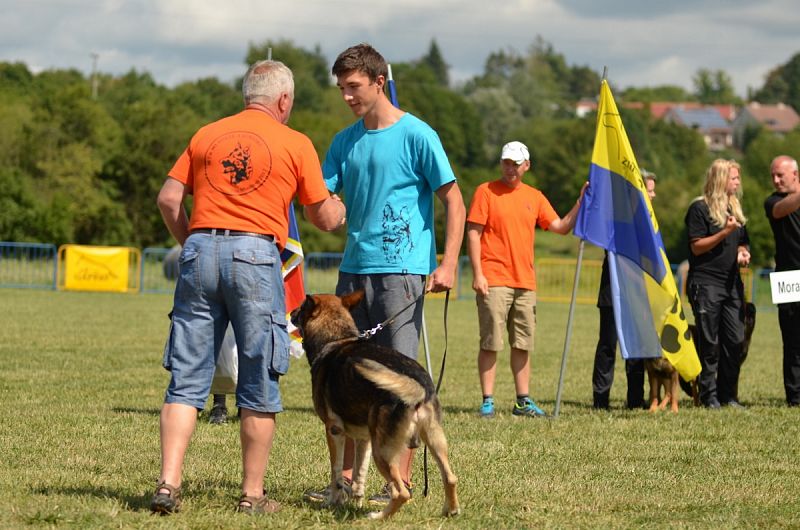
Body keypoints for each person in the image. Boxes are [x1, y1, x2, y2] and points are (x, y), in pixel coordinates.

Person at [151, 60, 345, 515]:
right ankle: (252, 496)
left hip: (199, 248)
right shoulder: (295, 142)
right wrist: (339, 208)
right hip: (255, 256)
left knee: (187, 379)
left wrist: (193, 244)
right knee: (258, 378)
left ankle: (167, 484)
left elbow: (167, 198)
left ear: (247, 96)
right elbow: (322, 216)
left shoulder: (206, 134)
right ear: (283, 100)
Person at [304, 43, 466, 505]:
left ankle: (398, 482)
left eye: (353, 87)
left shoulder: (418, 135)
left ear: (379, 81)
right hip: (353, 271)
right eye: (341, 88)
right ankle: (349, 482)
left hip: (402, 272)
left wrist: (449, 262)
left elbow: (454, 200)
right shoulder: (343, 141)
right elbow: (325, 203)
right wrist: (324, 212)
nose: (346, 96)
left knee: (398, 378)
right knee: (350, 379)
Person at [467, 141, 585, 418]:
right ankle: (488, 400)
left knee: (522, 343)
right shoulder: (485, 192)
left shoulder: (535, 196)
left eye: (516, 163)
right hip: (493, 278)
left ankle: (522, 401)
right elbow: (473, 233)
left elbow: (560, 227)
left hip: (525, 283)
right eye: (506, 162)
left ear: (526, 166)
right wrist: (478, 274)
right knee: (490, 342)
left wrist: (581, 201)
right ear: (501, 164)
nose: (510, 168)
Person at [685, 159, 750, 409]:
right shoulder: (699, 209)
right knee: (709, 342)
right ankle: (708, 396)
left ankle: (728, 396)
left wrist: (743, 252)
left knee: (734, 340)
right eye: (733, 177)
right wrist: (723, 232)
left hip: (731, 284)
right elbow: (696, 246)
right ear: (721, 179)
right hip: (706, 284)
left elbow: (743, 240)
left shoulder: (735, 209)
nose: (737, 182)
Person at [591, 170, 657, 410]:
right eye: (649, 190)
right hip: (613, 291)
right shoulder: (616, 218)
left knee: (637, 346)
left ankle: (636, 400)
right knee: (608, 345)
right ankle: (600, 400)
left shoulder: (650, 222)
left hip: (640, 295)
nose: (653, 194)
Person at [764, 155, 800, 407]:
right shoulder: (773, 201)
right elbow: (782, 209)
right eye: (773, 175)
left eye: (781, 175)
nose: (775, 180)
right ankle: (795, 397)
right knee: (792, 339)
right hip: (787, 276)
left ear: (795, 175)